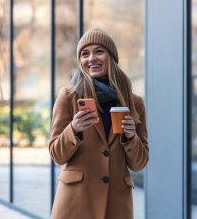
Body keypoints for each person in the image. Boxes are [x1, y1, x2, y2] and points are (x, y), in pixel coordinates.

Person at [49, 28, 149, 219]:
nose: (91, 58)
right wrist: (74, 129)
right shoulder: (68, 97)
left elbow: (139, 163)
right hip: (76, 203)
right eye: (85, 54)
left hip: (116, 205)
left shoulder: (133, 102)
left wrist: (131, 137)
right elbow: (56, 154)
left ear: (111, 57)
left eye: (99, 51)